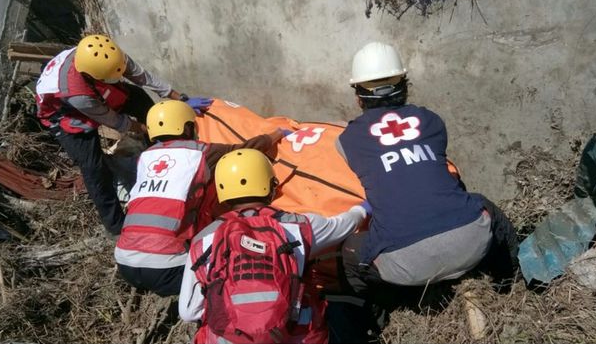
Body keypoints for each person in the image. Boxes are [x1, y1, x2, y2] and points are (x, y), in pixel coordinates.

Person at [336, 42, 518, 322]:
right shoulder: (432, 121)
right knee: (484, 206)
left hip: (403, 267)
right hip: (471, 245)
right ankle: (510, 281)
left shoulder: (347, 140)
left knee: (350, 252)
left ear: (359, 97)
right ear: (405, 86)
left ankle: (384, 313)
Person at [179, 148, 369, 344]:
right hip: (290, 335)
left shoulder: (203, 239)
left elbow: (188, 312)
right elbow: (344, 225)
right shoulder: (298, 226)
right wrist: (362, 210)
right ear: (271, 186)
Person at [35, 34, 212, 236]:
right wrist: (150, 128)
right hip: (64, 115)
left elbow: (142, 76)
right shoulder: (78, 95)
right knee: (94, 167)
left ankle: (166, 153)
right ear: (94, 76)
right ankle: (116, 226)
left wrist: (179, 97)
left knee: (139, 99)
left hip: (95, 87)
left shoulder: (107, 56)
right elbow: (117, 122)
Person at [114, 100, 290, 296]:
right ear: (188, 128)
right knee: (229, 284)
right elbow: (245, 150)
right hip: (167, 267)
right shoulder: (199, 153)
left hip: (124, 261)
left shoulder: (146, 156)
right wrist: (277, 134)